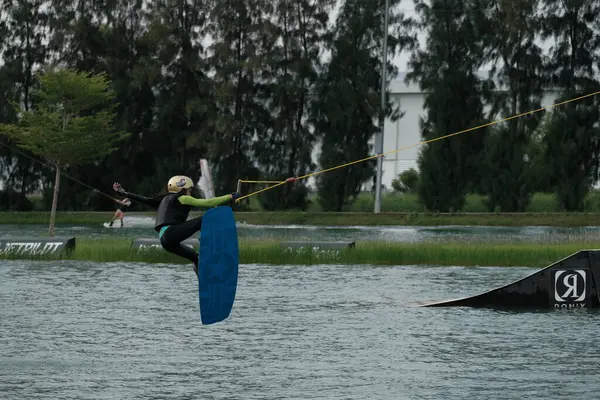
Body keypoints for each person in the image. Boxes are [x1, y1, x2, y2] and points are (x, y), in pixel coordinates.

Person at [112, 176, 240, 276]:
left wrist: (125, 193)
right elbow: (209, 202)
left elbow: (144, 199)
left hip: (165, 240)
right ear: (182, 188)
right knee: (207, 218)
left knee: (196, 258)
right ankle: (212, 245)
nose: (190, 192)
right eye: (189, 189)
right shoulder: (182, 198)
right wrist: (230, 196)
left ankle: (205, 278)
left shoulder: (163, 199)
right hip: (172, 233)